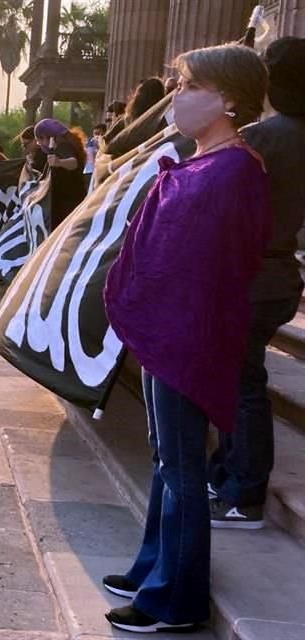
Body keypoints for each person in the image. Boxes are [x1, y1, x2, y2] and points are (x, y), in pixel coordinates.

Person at [101, 44, 270, 633]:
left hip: (188, 338)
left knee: (181, 467)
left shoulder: (236, 170)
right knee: (164, 459)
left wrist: (177, 323)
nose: (177, 96)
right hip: (164, 332)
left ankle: (175, 600)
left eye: (190, 85)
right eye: (177, 83)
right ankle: (153, 568)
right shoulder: (199, 162)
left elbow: (220, 266)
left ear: (226, 99)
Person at [207, 36, 305, 529]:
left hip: (253, 276)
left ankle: (245, 493)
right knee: (237, 378)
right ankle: (227, 472)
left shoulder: (261, 137)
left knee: (242, 384)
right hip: (280, 275)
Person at [34, 118, 88, 230]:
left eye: (40, 139)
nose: (40, 144)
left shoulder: (64, 146)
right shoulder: (65, 145)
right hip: (71, 200)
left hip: (67, 203)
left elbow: (73, 163)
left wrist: (59, 162)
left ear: (48, 136)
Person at [84, 124, 107, 190]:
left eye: (99, 134)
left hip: (98, 172)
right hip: (88, 172)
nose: (97, 136)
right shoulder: (90, 143)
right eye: (95, 134)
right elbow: (90, 158)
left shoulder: (105, 143)